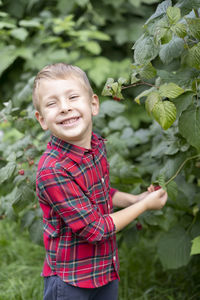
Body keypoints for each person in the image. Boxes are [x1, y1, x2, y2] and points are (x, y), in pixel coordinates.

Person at [33, 63, 168, 300]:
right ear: (42, 119)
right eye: (52, 103)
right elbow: (95, 230)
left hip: (103, 269)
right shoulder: (52, 170)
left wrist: (135, 199)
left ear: (93, 104)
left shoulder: (94, 145)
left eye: (73, 97)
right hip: (70, 280)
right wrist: (143, 206)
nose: (65, 108)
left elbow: (102, 191)